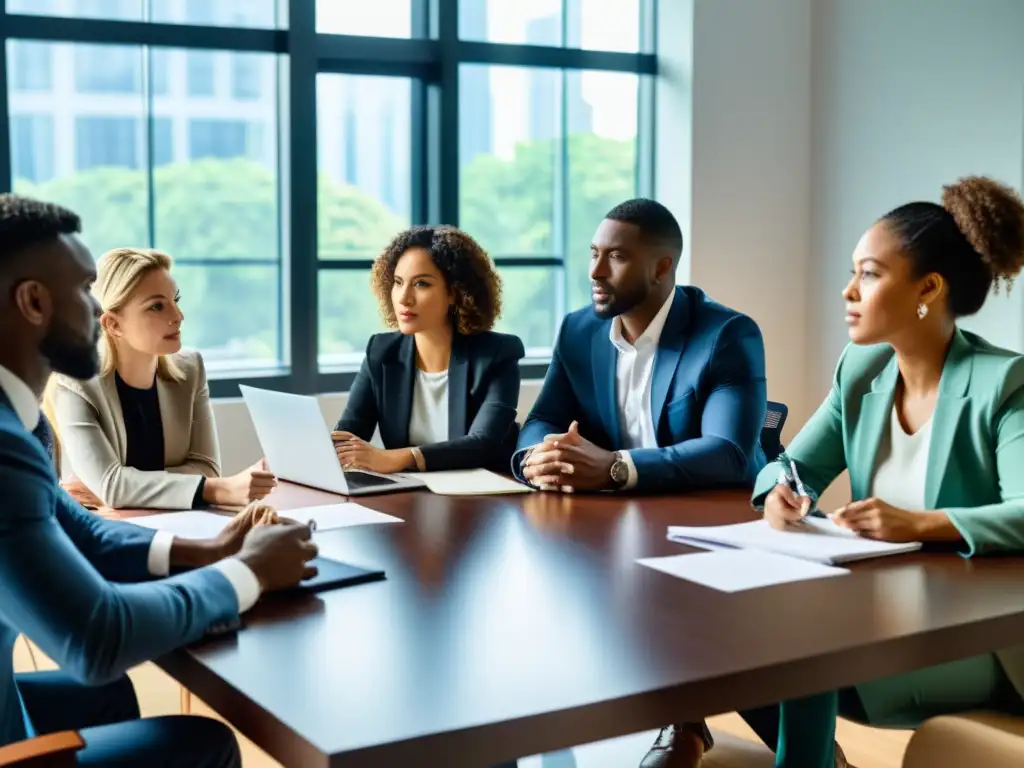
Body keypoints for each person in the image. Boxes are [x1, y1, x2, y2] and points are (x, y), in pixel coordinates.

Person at [0, 192, 318, 765]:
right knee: (206, 743)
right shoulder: (3, 443)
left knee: (106, 696)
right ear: (33, 302)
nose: (96, 311)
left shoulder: (14, 422)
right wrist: (244, 574)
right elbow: (96, 640)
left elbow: (87, 533)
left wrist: (212, 547)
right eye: (84, 289)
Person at [742, 176, 1024, 768]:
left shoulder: (1005, 385)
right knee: (736, 638)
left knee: (800, 648)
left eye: (869, 274)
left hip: (981, 637)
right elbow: (792, 463)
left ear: (927, 288)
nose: (848, 290)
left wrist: (918, 522)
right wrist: (782, 493)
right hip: (884, 614)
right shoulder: (862, 369)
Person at [513, 198, 768, 768]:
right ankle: (680, 724)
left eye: (617, 258)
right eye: (594, 255)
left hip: (717, 522)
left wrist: (615, 466)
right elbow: (541, 417)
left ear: (662, 267)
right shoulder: (580, 330)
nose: (596, 272)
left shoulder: (726, 334)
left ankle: (808, 748)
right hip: (621, 520)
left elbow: (729, 452)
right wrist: (539, 456)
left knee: (707, 625)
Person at [46, 247, 276, 510]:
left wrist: (123, 487)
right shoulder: (74, 381)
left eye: (175, 300)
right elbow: (112, 485)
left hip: (174, 522)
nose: (178, 316)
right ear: (113, 325)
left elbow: (207, 468)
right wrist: (218, 489)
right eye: (157, 306)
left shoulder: (191, 369)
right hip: (105, 531)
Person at [333, 225, 525, 474]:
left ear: (456, 293)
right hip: (410, 496)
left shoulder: (498, 354)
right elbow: (349, 435)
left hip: (483, 499)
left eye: (421, 284)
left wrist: (399, 458)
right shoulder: (381, 352)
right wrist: (296, 459)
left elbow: (482, 444)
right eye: (398, 282)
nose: (404, 298)